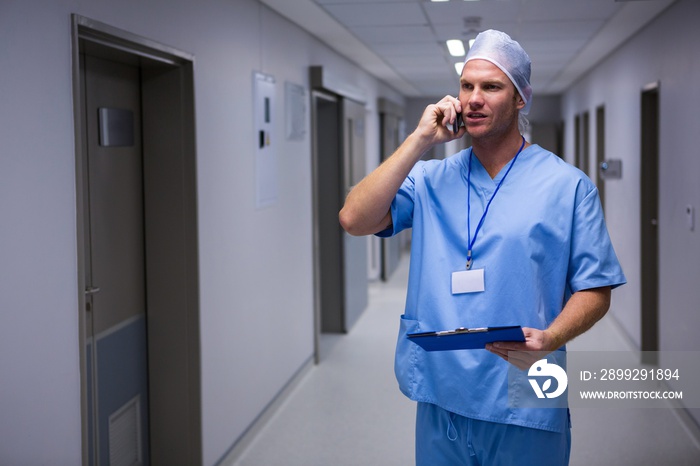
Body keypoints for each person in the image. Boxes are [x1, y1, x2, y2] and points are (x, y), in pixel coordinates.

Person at [339, 30, 626, 465]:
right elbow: (353, 219)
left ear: (520, 99)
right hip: (443, 392)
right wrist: (419, 142)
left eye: (491, 87)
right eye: (466, 85)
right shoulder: (431, 178)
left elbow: (596, 289)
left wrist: (552, 337)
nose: (474, 98)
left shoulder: (568, 187)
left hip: (527, 386)